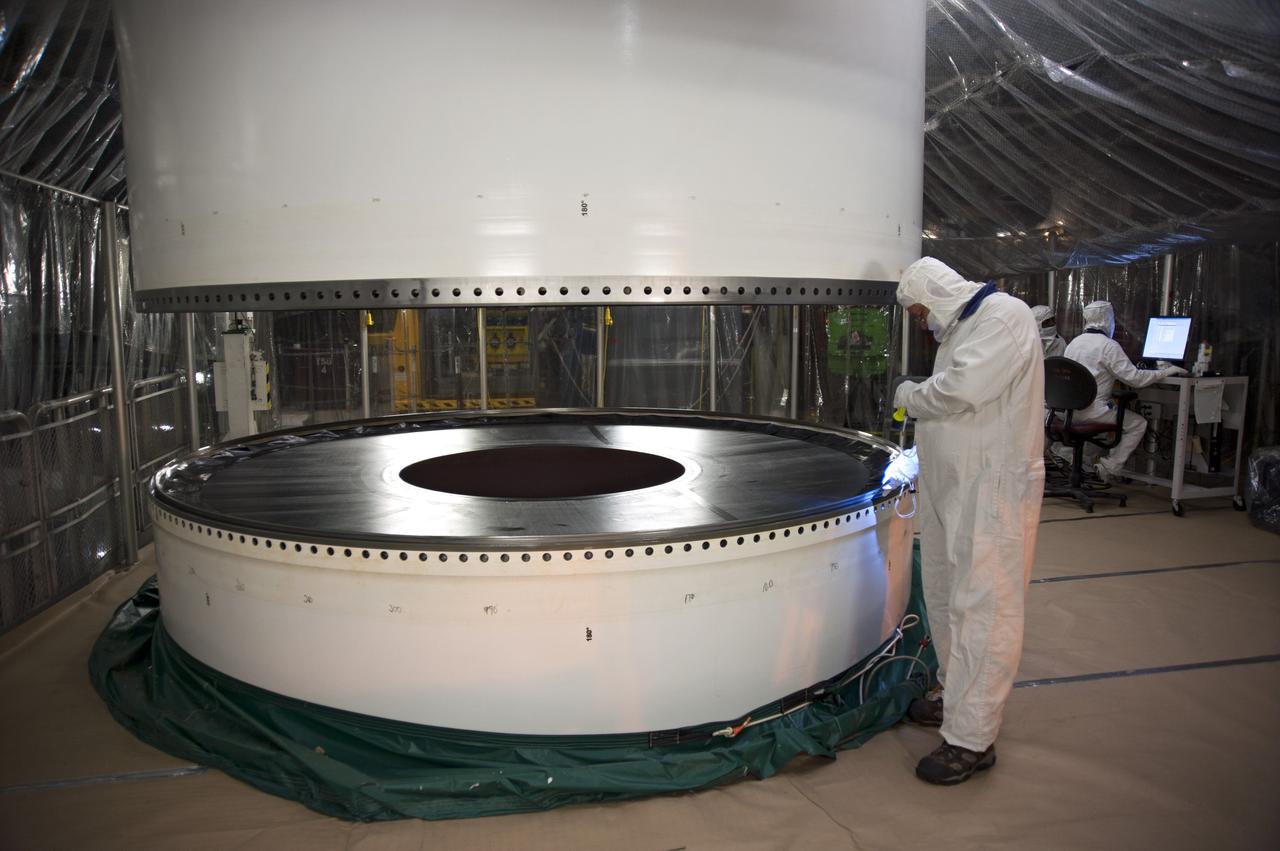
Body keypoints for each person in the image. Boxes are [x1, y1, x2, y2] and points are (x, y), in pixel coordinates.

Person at [884, 257, 1044, 785]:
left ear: (938, 294)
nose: (920, 320)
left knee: (986, 605)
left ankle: (972, 739)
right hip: (954, 487)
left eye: (922, 309)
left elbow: (959, 392)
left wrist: (908, 395)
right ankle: (956, 696)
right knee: (948, 591)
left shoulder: (1003, 317)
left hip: (991, 489)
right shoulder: (964, 324)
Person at [1062, 301, 1186, 483]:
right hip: (1093, 413)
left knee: (1109, 420)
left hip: (1069, 412)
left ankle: (1080, 461)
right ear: (1107, 319)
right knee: (1138, 424)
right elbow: (1135, 379)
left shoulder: (1074, 343)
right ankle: (1108, 468)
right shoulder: (1108, 346)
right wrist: (1165, 371)